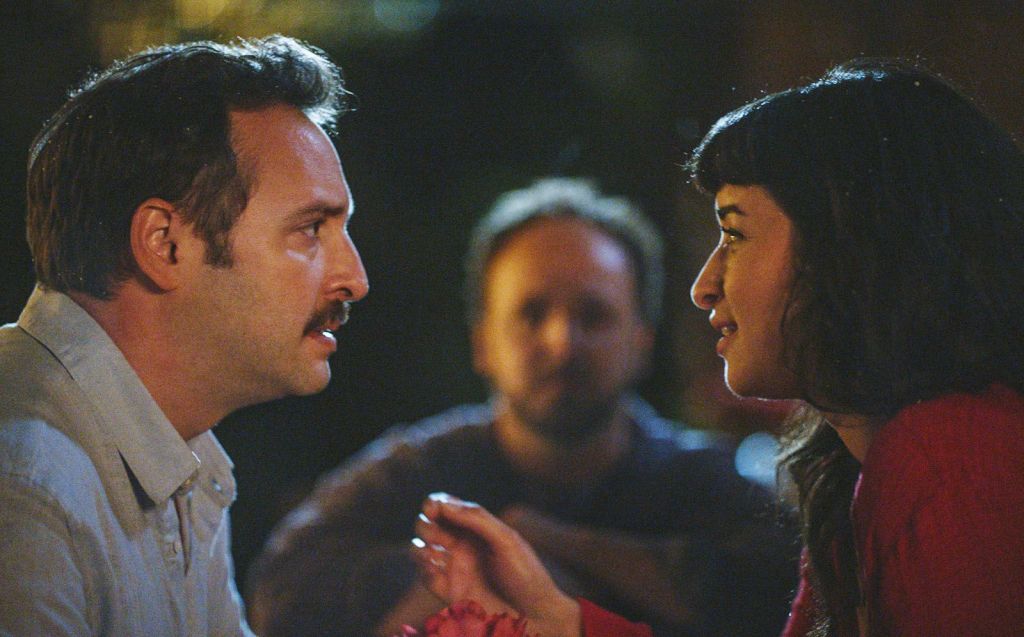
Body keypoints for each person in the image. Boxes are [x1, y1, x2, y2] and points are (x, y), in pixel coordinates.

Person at [410, 59, 1024, 636]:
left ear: (850, 248)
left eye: (733, 234)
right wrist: (557, 620)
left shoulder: (953, 463)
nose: (704, 286)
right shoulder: (860, 469)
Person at [245, 178, 798, 637]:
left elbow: (780, 591)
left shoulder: (710, 485)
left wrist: (538, 544)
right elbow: (281, 591)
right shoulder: (414, 472)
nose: (562, 342)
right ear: (483, 341)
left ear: (641, 341)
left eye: (594, 315)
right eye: (531, 314)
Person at [0, 36, 368, 636]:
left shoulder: (179, 455)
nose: (355, 279)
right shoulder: (26, 484)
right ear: (165, 244)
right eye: (310, 230)